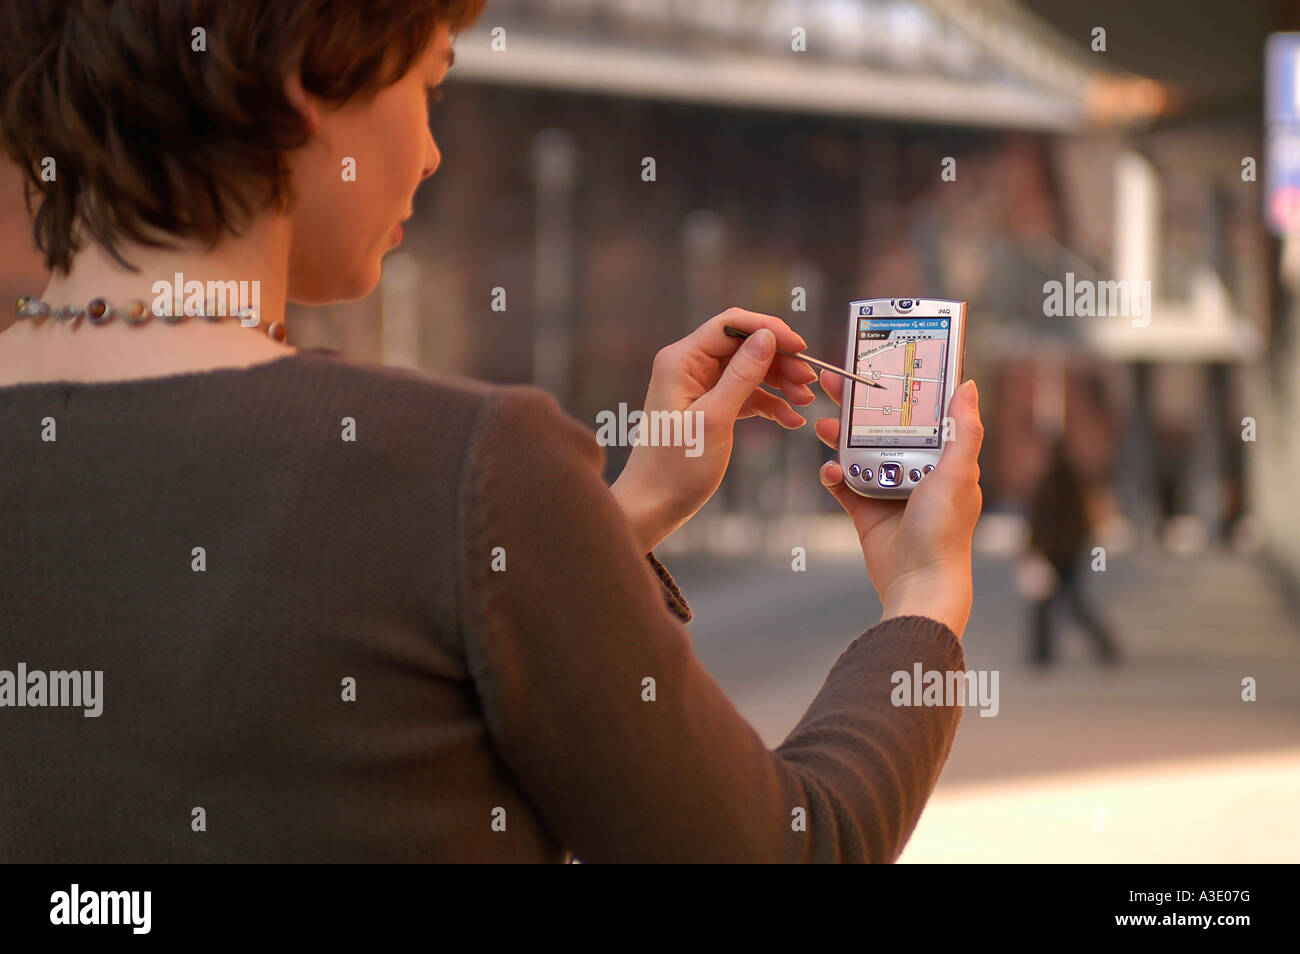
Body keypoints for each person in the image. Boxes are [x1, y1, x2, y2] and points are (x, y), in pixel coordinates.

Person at [0, 0, 984, 862]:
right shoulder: (470, 461)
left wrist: (616, 518)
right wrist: (924, 596)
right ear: (303, 82)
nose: (432, 149)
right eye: (430, 85)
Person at [1026, 437, 1122, 666]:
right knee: (1068, 604)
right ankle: (1102, 647)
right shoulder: (1073, 482)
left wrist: (1034, 547)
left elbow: (1042, 521)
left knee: (1050, 605)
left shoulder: (1051, 483)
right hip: (1070, 551)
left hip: (1056, 553)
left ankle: (1043, 654)